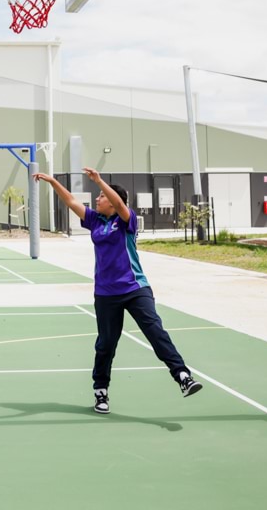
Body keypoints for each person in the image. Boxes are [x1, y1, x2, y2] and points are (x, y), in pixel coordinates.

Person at [34, 167, 203, 414]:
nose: (98, 199)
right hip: (105, 293)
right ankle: (101, 392)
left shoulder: (126, 220)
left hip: (135, 288)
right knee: (106, 345)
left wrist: (100, 181)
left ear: (115, 203)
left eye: (102, 197)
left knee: (155, 331)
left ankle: (182, 375)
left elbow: (117, 202)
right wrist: (51, 182)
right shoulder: (95, 220)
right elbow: (70, 201)